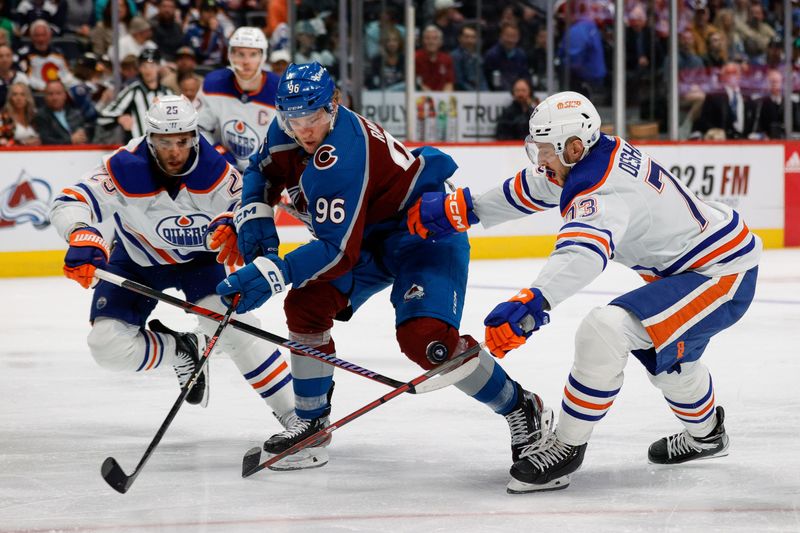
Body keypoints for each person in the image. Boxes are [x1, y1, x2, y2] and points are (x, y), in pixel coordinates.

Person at [407, 90, 761, 492]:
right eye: (536, 148)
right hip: (700, 264)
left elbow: (583, 253)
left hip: (720, 273)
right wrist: (466, 208)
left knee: (605, 329)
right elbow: (533, 188)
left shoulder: (601, 190)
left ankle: (567, 447)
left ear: (574, 146)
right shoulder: (592, 156)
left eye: (545, 150)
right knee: (672, 363)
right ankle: (709, 436)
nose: (539, 160)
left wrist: (535, 301)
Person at [212, 62, 550, 473]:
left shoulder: (344, 153)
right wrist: (254, 223)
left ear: (334, 104)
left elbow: (337, 251)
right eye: (292, 117)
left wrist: (272, 272)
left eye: (312, 116)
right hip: (366, 236)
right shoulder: (287, 127)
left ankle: (522, 407)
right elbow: (261, 172)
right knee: (306, 306)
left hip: (423, 231)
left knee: (428, 343)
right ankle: (311, 425)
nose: (302, 129)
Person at [48, 95, 296, 442]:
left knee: (234, 331)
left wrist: (234, 221)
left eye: (182, 141)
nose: (175, 151)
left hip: (198, 263)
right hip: (136, 260)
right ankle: (184, 349)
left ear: (194, 136)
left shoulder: (215, 170)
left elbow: (248, 203)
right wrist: (80, 232)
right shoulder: (123, 167)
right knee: (107, 347)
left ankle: (297, 418)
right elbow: (69, 201)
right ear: (150, 139)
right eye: (165, 143)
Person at [196, 26, 278, 172]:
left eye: (253, 54)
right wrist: (218, 153)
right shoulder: (214, 84)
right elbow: (197, 129)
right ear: (230, 55)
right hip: (223, 172)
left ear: (263, 57)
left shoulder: (280, 90)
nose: (246, 61)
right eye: (240, 54)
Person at [96, 48, 173, 143]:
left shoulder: (168, 93)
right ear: (139, 69)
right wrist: (119, 119)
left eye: (152, 66)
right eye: (144, 66)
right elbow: (103, 116)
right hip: (139, 149)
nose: (148, 70)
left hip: (164, 149)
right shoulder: (133, 91)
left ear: (158, 67)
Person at [32, 79, 88, 145]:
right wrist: (70, 140)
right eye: (50, 94)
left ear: (65, 95)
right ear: (45, 97)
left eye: (58, 93)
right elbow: (46, 140)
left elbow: (83, 133)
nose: (55, 98)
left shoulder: (75, 114)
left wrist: (82, 136)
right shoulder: (41, 116)